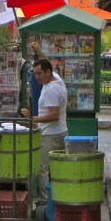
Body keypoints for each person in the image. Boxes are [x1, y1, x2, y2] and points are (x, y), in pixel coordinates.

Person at [21, 58, 68, 204]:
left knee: (44, 170)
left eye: (39, 73)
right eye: (35, 73)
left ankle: (44, 202)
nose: (37, 77)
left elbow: (53, 115)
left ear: (48, 72)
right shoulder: (57, 80)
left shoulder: (51, 89)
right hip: (60, 132)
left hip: (50, 135)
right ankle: (57, 199)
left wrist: (32, 119)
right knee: (56, 170)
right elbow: (48, 62)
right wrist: (40, 50)